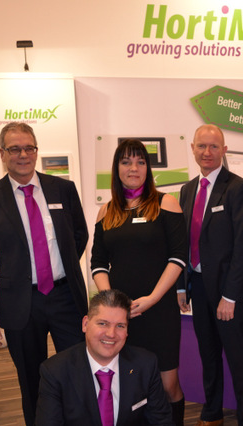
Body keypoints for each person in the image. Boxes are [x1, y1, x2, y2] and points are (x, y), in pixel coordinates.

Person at [0, 122, 89, 426]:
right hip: (20, 305)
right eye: (14, 149)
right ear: (2, 154)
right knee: (31, 382)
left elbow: (80, 234)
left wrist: (59, 266)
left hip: (66, 298)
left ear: (36, 151)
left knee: (78, 374)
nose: (23, 155)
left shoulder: (63, 189)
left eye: (29, 148)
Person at [90, 139, 187, 426]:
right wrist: (113, 304)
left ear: (148, 168)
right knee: (130, 385)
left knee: (168, 386)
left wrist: (153, 298)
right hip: (121, 317)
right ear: (116, 168)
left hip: (159, 310)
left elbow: (178, 257)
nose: (134, 168)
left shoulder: (165, 203)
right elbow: (98, 263)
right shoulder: (106, 211)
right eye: (126, 162)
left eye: (140, 162)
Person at [177, 125, 243, 426]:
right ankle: (212, 413)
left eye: (214, 146)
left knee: (240, 360)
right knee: (208, 355)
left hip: (230, 293)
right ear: (192, 148)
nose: (207, 152)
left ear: (224, 150)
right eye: (202, 146)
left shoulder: (238, 188)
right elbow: (182, 241)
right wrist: (181, 286)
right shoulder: (187, 190)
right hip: (199, 287)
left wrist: (230, 296)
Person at [36, 289, 174, 426]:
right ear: (85, 324)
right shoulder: (55, 371)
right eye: (103, 323)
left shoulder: (145, 364)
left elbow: (161, 421)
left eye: (120, 326)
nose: (111, 334)